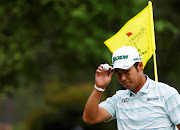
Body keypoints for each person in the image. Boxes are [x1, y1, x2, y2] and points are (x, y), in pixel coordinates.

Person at [82, 46, 180, 130]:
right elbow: (90, 118)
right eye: (118, 74)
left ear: (140, 66)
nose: (123, 78)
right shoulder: (119, 98)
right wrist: (99, 87)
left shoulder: (166, 93)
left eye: (126, 71)